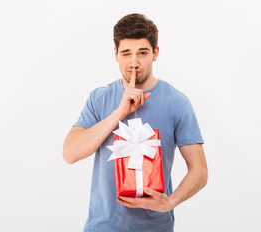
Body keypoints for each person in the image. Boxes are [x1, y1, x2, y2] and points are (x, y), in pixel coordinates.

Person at [63, 13, 208, 232]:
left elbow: (199, 170)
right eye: (126, 53)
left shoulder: (177, 102)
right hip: (102, 226)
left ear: (155, 53)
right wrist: (118, 113)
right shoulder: (99, 98)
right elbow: (70, 154)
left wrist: (171, 201)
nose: (133, 62)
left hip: (156, 227)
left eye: (142, 53)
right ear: (115, 54)